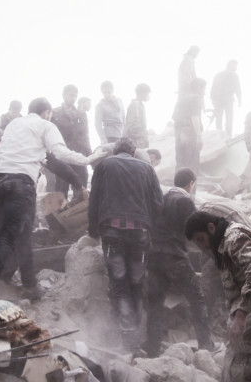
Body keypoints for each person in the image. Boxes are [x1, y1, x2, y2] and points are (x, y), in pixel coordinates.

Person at [0, 97, 100, 301]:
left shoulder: (14, 125)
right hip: (20, 184)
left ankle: (28, 285)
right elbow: (60, 153)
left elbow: (4, 157)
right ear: (46, 112)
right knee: (8, 235)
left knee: (18, 233)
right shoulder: (45, 125)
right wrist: (88, 159)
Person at [184, 211, 251, 381]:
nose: (202, 246)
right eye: (197, 243)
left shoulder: (234, 239)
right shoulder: (227, 243)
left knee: (234, 377)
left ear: (211, 228)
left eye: (201, 239)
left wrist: (240, 316)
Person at [88, 137, 163, 355]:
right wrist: (151, 230)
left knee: (119, 284)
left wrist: (93, 229)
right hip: (140, 233)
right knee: (136, 284)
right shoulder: (147, 168)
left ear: (115, 151)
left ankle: (126, 338)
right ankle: (136, 339)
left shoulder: (104, 165)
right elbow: (158, 203)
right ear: (133, 152)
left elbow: (94, 199)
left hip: (112, 231)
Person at [144, 168, 214, 357]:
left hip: (155, 256)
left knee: (155, 301)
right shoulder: (185, 201)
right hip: (174, 257)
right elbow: (198, 234)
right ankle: (206, 345)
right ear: (191, 183)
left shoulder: (160, 199)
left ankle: (152, 347)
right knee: (197, 298)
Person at [51, 85, 91, 197]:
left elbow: (85, 135)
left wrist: (89, 154)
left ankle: (79, 208)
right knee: (61, 191)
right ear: (63, 95)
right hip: (63, 156)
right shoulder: (55, 113)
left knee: (81, 190)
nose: (73, 98)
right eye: (71, 95)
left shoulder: (81, 114)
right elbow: (50, 136)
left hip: (78, 155)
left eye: (75, 96)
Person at [172, 78, 206, 174]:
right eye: (204, 89)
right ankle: (191, 183)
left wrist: (178, 136)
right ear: (199, 88)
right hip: (190, 132)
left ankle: (179, 183)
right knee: (192, 165)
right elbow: (194, 117)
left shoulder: (180, 101)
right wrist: (199, 136)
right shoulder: (196, 98)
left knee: (180, 165)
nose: (204, 93)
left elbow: (175, 121)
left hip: (179, 133)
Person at [210, 60, 241, 137]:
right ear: (229, 65)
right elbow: (213, 86)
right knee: (223, 117)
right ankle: (223, 134)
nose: (236, 67)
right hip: (222, 98)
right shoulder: (231, 75)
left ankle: (225, 134)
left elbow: (237, 88)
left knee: (225, 117)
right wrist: (212, 98)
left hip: (224, 98)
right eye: (234, 65)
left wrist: (239, 98)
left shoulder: (221, 75)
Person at [95, 81, 125, 145]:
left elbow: (123, 118)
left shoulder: (120, 101)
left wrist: (124, 135)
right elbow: (97, 124)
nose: (107, 95)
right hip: (109, 137)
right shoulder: (100, 105)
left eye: (109, 92)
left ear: (113, 90)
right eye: (104, 93)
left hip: (121, 136)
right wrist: (103, 139)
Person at [124, 83, 151, 149]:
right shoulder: (135, 104)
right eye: (147, 93)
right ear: (142, 93)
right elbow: (134, 123)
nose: (148, 96)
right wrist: (139, 138)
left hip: (137, 140)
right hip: (135, 140)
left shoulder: (139, 105)